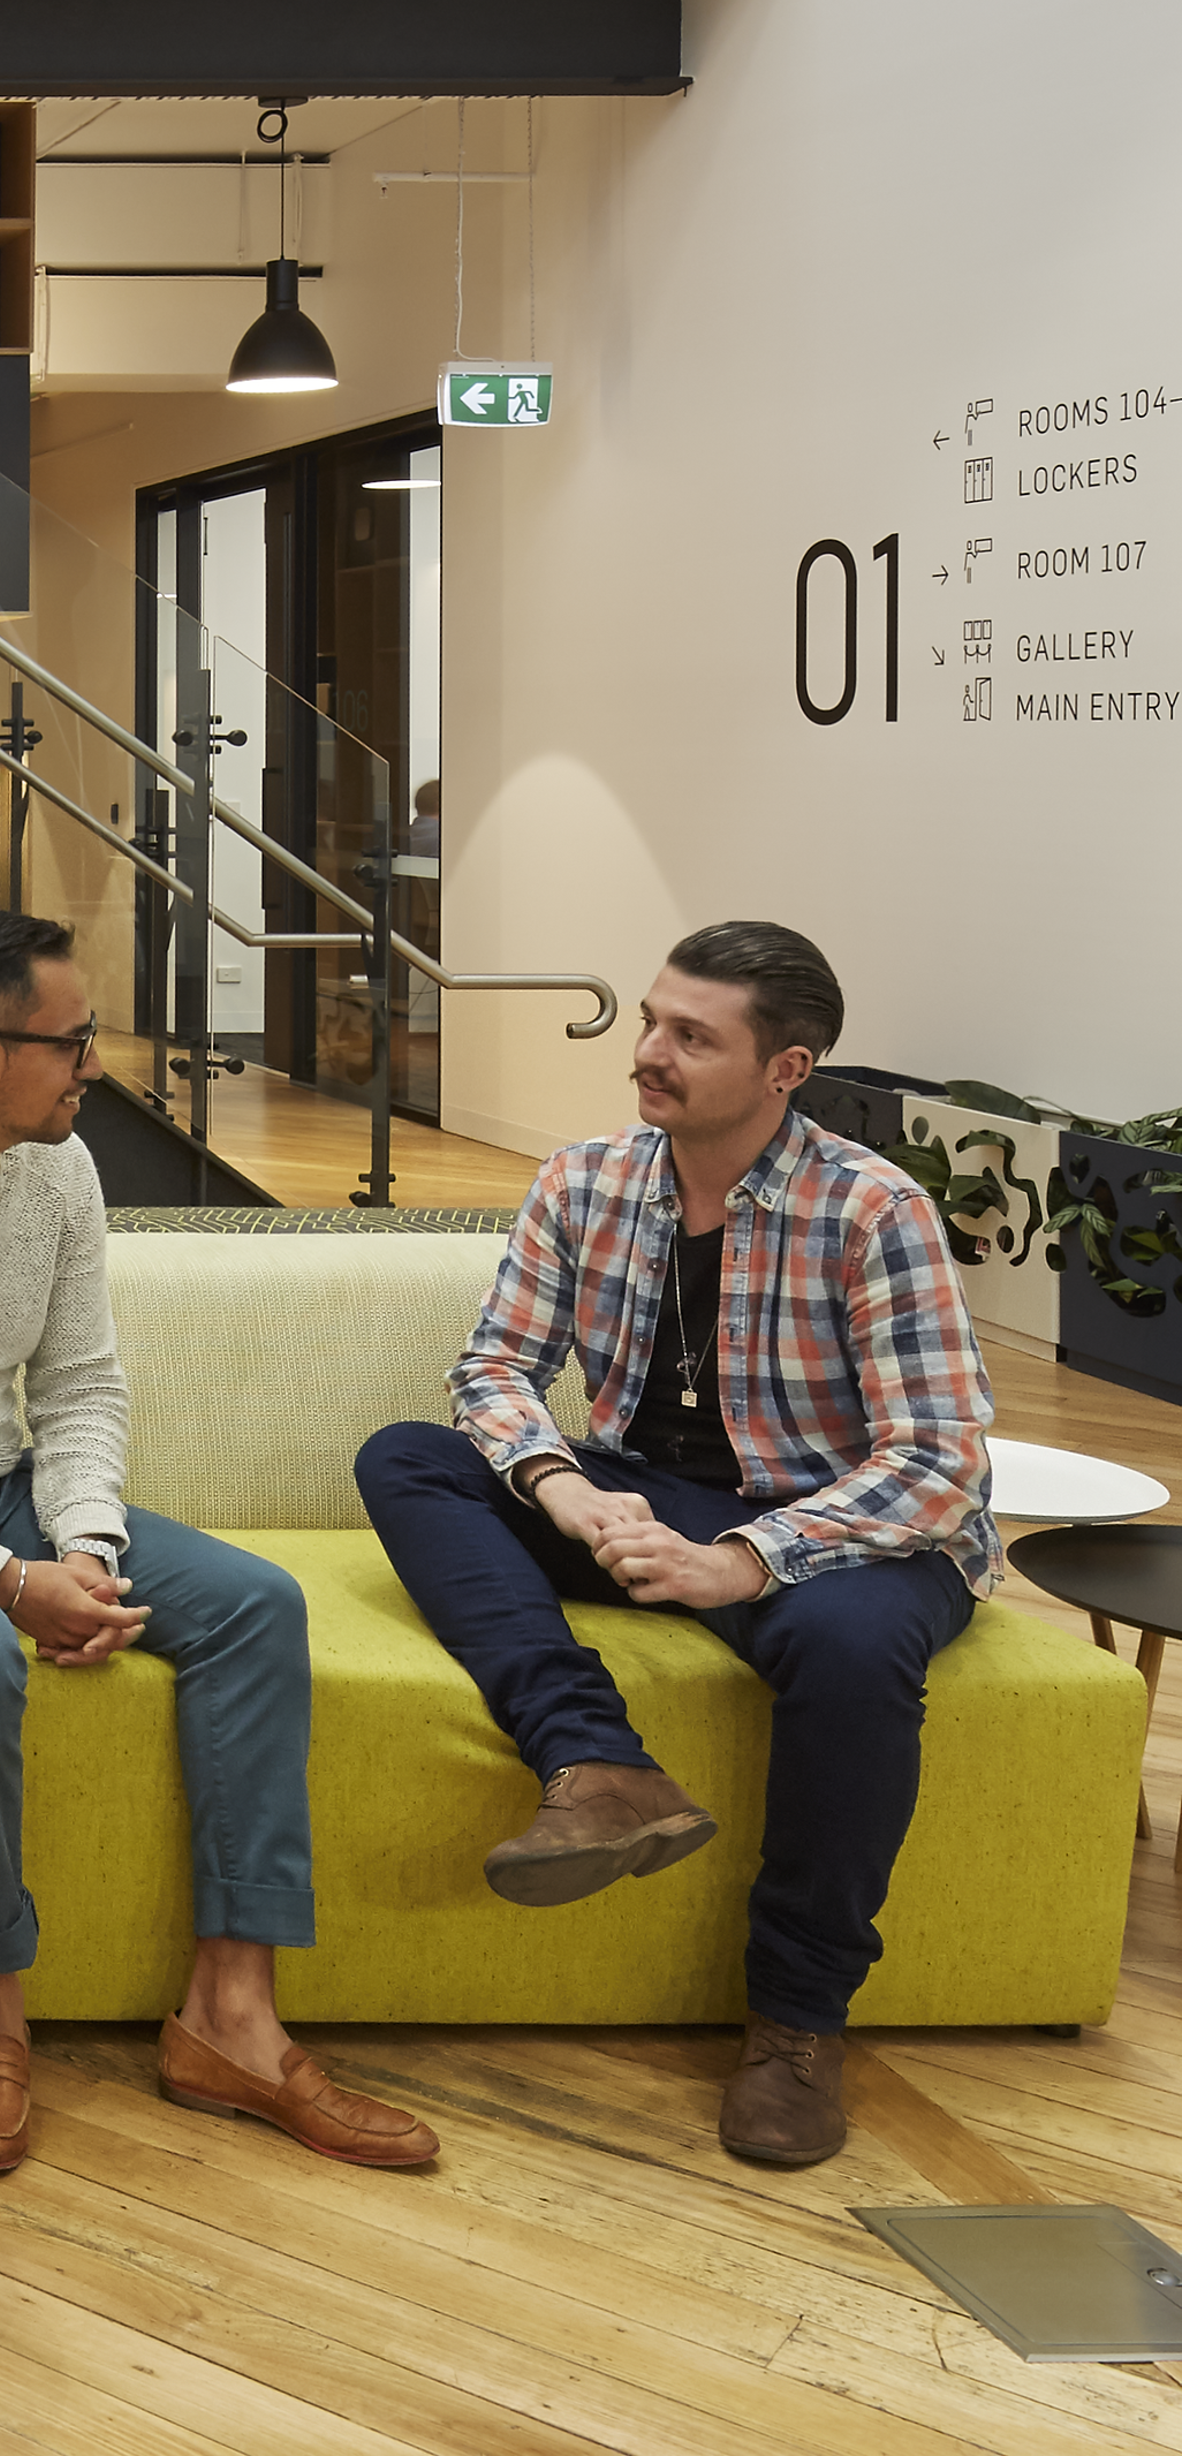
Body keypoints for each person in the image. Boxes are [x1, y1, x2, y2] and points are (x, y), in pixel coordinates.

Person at [0, 907, 436, 2187]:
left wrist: (86, 1545)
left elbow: (83, 1386)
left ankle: (234, 2017)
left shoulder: (59, 1169)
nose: (97, 1064)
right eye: (76, 1039)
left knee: (258, 1605)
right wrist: (5, 1581)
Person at [354, 916, 992, 2174]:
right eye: (652, 1019)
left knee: (854, 1653)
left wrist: (749, 1561)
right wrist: (561, 1488)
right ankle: (599, 1767)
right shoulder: (587, 1179)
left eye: (690, 1036)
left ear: (785, 1069)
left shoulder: (871, 1210)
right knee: (408, 1457)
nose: (649, 1051)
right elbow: (495, 1369)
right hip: (643, 1499)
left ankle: (799, 2023)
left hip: (840, 1530)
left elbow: (939, 1462)